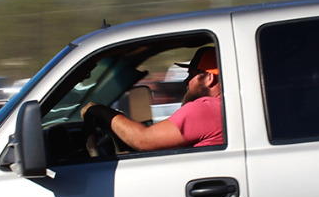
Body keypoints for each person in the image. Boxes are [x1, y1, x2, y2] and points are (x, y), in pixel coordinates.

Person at [81, 47, 224, 152]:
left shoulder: (204, 110)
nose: (186, 81)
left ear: (209, 78)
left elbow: (143, 140)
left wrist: (102, 111)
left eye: (191, 75)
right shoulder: (221, 107)